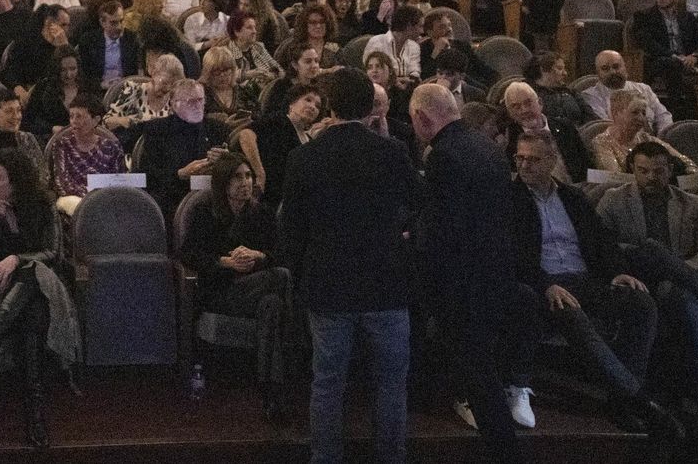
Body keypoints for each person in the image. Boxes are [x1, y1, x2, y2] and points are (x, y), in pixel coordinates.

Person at [280, 68, 420, 464]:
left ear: (331, 105)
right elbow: (420, 205)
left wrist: (302, 274)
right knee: (392, 383)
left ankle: (325, 458)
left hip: (328, 284)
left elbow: (292, 229)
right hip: (386, 282)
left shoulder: (305, 156)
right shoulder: (391, 152)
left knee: (327, 382)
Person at [508, 131, 674, 435]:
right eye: (520, 158)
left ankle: (620, 396)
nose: (524, 165)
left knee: (641, 303)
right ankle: (636, 399)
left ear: (552, 161)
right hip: (545, 284)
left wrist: (617, 272)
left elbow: (601, 241)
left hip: (586, 279)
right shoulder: (509, 199)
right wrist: (546, 285)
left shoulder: (572, 197)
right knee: (573, 315)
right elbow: (512, 257)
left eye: (533, 159)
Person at [408, 83, 528, 460]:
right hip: (496, 272)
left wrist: (415, 239)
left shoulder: (443, 156)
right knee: (480, 367)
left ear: (423, 118)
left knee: (478, 374)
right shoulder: (488, 148)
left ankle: (504, 452)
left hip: (463, 282)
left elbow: (444, 229)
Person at [596, 142, 698, 437]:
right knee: (651, 250)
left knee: (675, 285)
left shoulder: (691, 203)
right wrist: (648, 257)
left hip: (680, 283)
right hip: (639, 277)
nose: (651, 177)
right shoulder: (614, 200)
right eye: (643, 171)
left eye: (658, 171)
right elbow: (601, 246)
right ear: (633, 170)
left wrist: (676, 269)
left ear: (669, 170)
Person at [0, 148, 80, 449]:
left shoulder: (41, 205)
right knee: (33, 317)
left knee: (32, 272)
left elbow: (53, 254)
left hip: (48, 284)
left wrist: (15, 258)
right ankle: (36, 414)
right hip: (5, 293)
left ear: (16, 182)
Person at [179, 152, 289, 419]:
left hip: (257, 287)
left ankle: (270, 391)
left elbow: (281, 252)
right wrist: (226, 262)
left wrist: (258, 255)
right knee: (283, 277)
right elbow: (188, 254)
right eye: (237, 177)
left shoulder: (261, 214)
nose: (245, 183)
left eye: (248, 176)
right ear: (223, 182)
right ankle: (293, 359)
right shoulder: (205, 212)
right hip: (221, 291)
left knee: (272, 303)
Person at [137, 79, 225, 218]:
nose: (197, 106)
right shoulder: (157, 130)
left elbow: (234, 167)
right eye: (190, 102)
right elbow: (147, 175)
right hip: (173, 196)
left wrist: (225, 160)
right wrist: (180, 174)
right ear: (173, 104)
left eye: (200, 100)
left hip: (213, 196)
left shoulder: (217, 128)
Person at [587, 87, 697, 175]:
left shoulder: (646, 139)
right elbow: (616, 179)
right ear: (616, 113)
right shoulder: (602, 142)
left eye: (643, 113)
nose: (641, 118)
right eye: (635, 113)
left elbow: (687, 163)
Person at [47, 98, 126, 215]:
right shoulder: (62, 144)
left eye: (79, 116)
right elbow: (61, 183)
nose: (73, 121)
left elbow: (118, 180)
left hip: (107, 200)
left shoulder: (111, 146)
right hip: (73, 202)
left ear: (96, 120)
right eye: (71, 116)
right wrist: (91, 196)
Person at [252, 82, 325, 207]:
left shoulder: (309, 140)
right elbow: (246, 134)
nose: (313, 107)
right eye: (308, 100)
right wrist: (259, 172)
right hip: (271, 196)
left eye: (317, 106)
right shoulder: (278, 120)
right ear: (292, 103)